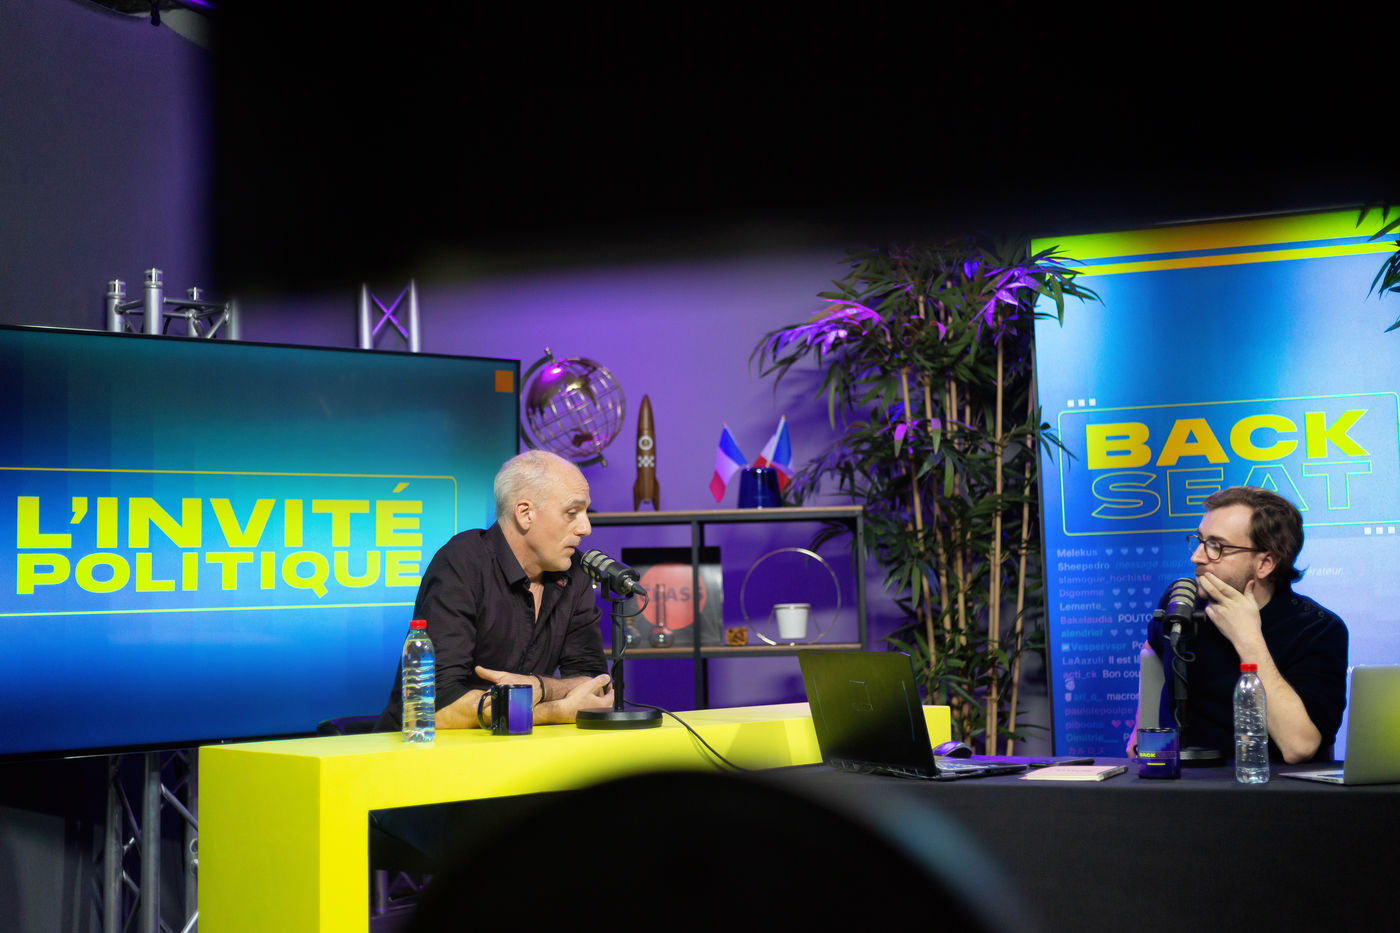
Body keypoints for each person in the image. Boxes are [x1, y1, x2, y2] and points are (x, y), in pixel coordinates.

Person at [376, 449, 613, 732]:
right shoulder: (462, 563)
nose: (585, 528)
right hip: (419, 750)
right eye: (572, 513)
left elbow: (596, 686)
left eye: (585, 512)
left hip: (518, 750)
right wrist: (552, 710)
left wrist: (540, 687)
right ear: (525, 513)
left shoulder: (575, 570)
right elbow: (435, 707)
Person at [1131, 486, 1348, 764]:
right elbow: (1152, 649)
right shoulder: (1183, 602)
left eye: (1216, 547)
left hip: (1267, 783)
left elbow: (1299, 746)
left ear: (1265, 563)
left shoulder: (1318, 630)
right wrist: (1139, 729)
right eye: (1199, 540)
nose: (1196, 557)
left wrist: (1248, 638)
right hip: (1181, 779)